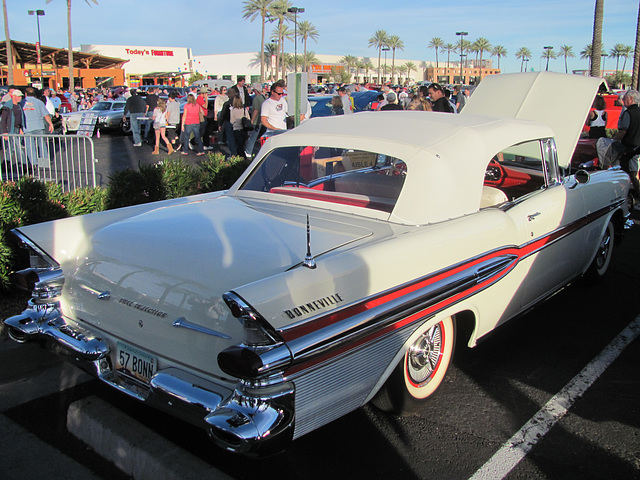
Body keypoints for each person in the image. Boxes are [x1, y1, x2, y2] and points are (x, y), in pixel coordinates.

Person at [597, 90, 640, 190]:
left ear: (630, 99)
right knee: (634, 173)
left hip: (627, 149)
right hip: (637, 149)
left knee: (624, 173)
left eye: (624, 99)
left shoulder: (628, 113)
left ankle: (625, 193)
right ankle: (636, 193)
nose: (623, 101)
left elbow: (623, 131)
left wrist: (614, 140)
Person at [21, 87, 54, 167]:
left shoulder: (22, 102)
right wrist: (50, 124)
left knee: (30, 145)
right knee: (42, 144)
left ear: (25, 94)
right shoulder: (39, 102)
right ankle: (44, 163)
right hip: (39, 125)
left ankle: (34, 163)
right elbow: (46, 115)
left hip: (27, 127)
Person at [245, 83, 267, 157]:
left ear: (255, 90)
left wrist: (252, 120)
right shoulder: (264, 97)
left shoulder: (256, 98)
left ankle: (248, 151)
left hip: (257, 120)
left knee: (253, 137)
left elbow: (256, 110)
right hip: (263, 121)